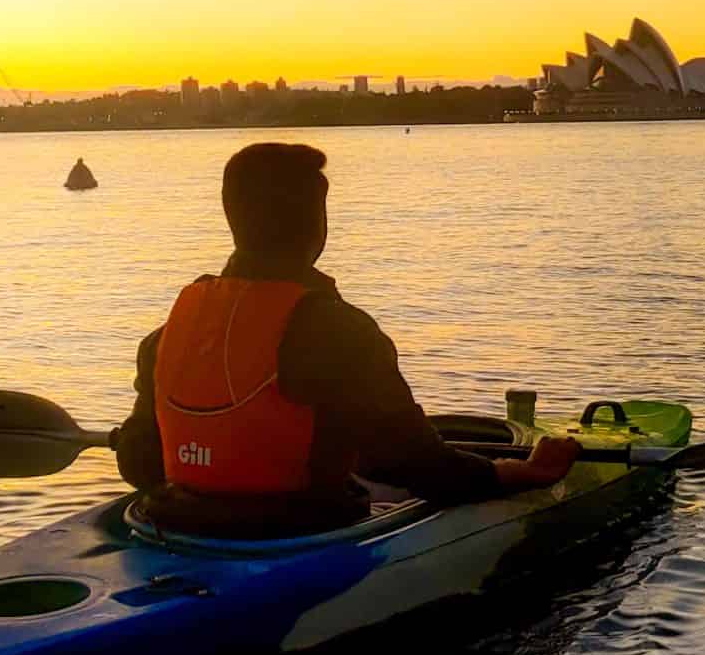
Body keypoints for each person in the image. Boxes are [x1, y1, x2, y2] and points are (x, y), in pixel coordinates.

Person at [114, 142, 578, 536]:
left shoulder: (168, 334)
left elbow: (139, 464)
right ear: (317, 222)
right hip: (298, 535)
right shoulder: (340, 332)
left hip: (178, 528)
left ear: (231, 216)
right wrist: (525, 473)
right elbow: (417, 467)